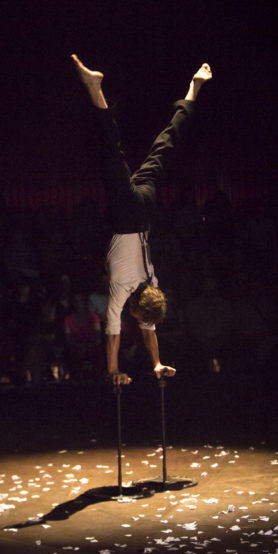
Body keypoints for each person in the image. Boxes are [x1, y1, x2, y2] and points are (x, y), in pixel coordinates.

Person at [71, 53, 212, 385]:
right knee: (111, 150)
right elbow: (113, 334)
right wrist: (113, 370)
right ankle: (94, 88)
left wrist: (157, 363)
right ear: (136, 308)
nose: (138, 322)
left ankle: (194, 88)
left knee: (166, 146)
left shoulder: (152, 283)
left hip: (147, 210)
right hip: (126, 214)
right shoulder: (123, 288)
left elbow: (149, 328)